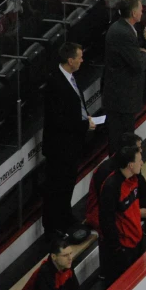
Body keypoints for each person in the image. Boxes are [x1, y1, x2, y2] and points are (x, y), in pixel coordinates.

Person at [41, 42, 95, 238]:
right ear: (70, 60)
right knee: (56, 187)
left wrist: (85, 119)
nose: (82, 59)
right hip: (59, 147)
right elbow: (58, 119)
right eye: (79, 57)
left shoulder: (71, 78)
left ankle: (65, 216)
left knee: (67, 184)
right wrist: (83, 125)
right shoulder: (54, 83)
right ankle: (52, 227)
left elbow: (75, 108)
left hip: (72, 144)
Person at [86, 133, 146, 241]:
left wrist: (138, 174)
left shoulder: (131, 164)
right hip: (102, 214)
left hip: (124, 203)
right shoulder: (106, 174)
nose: (141, 151)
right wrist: (136, 212)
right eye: (139, 148)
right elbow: (106, 211)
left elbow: (145, 190)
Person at [103, 0, 146, 155]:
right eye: (140, 8)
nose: (142, 10)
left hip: (123, 97)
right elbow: (137, 64)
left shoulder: (126, 28)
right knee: (121, 142)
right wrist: (144, 54)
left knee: (124, 140)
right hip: (120, 99)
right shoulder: (122, 32)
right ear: (133, 13)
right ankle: (119, 174)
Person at [98, 145, 144, 286]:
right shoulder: (112, 187)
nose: (142, 163)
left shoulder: (135, 178)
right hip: (123, 250)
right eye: (140, 160)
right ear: (130, 165)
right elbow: (106, 221)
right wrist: (118, 249)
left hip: (137, 241)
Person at [8, 237, 89, 290]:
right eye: (65, 255)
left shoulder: (66, 266)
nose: (70, 258)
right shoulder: (44, 275)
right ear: (54, 257)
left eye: (70, 253)